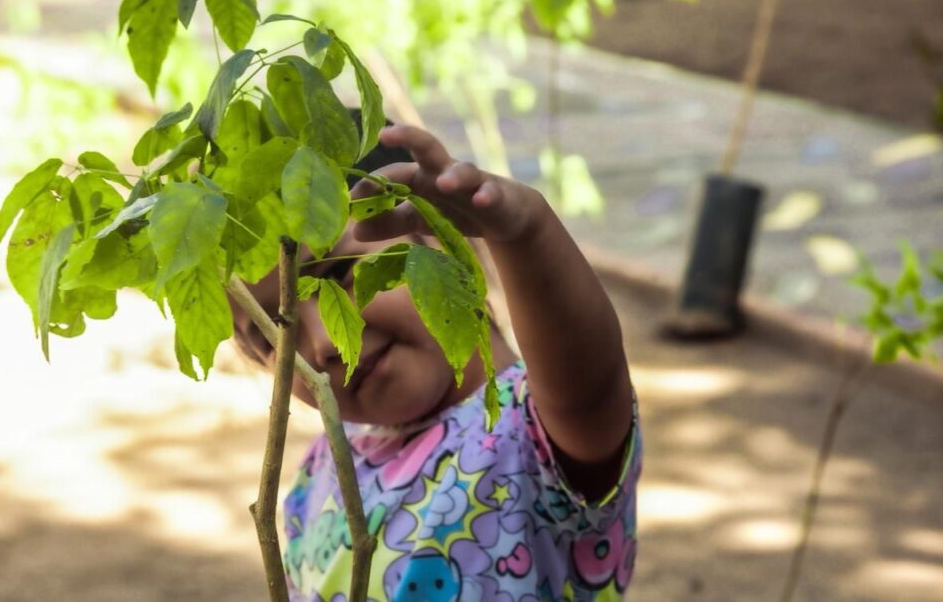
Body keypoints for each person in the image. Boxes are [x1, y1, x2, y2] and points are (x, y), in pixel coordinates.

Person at [232, 123, 641, 601]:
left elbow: (586, 380)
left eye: (339, 274)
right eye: (271, 332)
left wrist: (525, 232)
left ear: (441, 243)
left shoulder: (532, 433)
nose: (322, 345)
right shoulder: (316, 475)